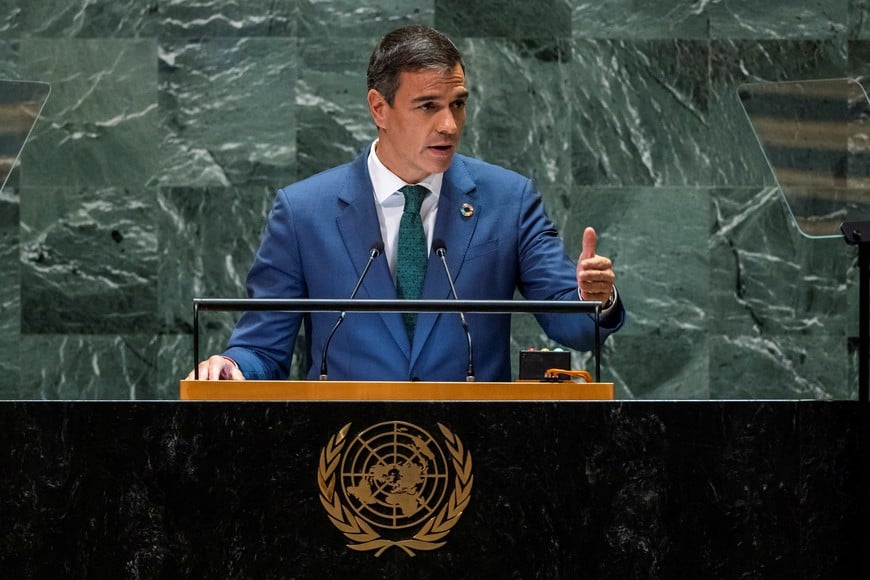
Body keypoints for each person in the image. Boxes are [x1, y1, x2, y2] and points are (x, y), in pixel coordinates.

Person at [188, 24, 624, 382]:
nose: (449, 125)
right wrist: (233, 366)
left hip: (477, 455)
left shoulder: (508, 200)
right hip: (346, 458)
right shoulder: (303, 212)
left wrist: (593, 298)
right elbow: (263, 346)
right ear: (380, 108)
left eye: (457, 104)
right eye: (428, 106)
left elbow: (574, 324)